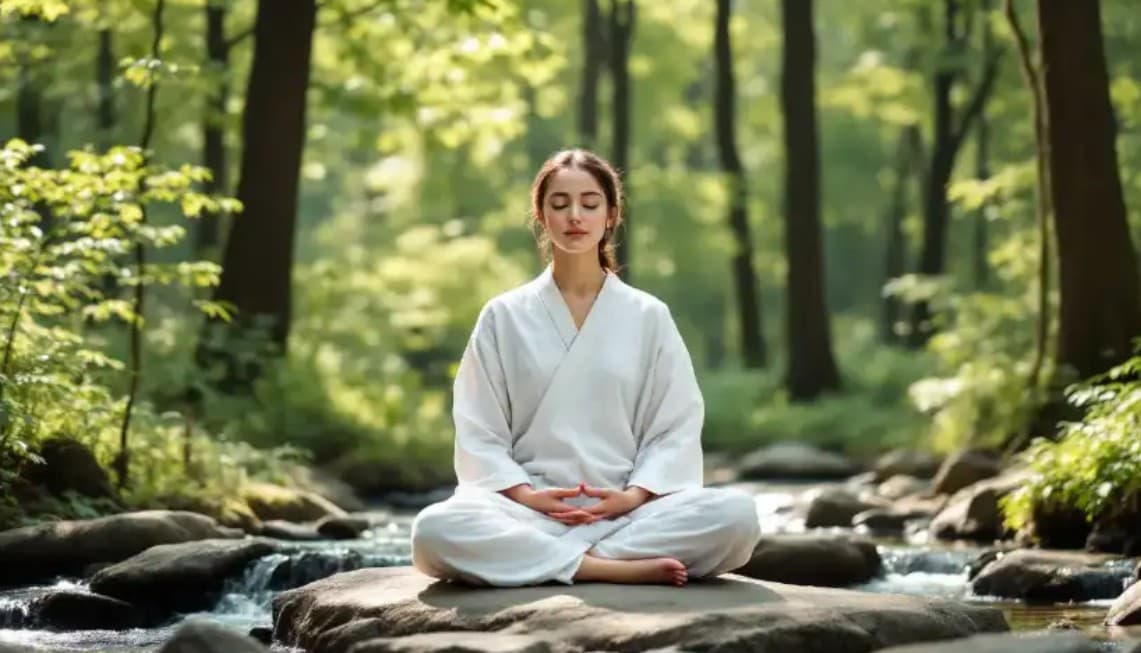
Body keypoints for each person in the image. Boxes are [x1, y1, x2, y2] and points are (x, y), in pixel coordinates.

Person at [411, 149, 760, 587]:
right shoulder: (504, 315)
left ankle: (548, 562)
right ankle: (597, 567)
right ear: (540, 214)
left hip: (627, 513)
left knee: (738, 517)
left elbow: (674, 430)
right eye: (559, 204)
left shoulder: (648, 315)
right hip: (525, 511)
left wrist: (630, 497)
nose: (574, 215)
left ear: (611, 215)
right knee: (433, 530)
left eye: (590, 204)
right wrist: (529, 497)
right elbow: (480, 432)